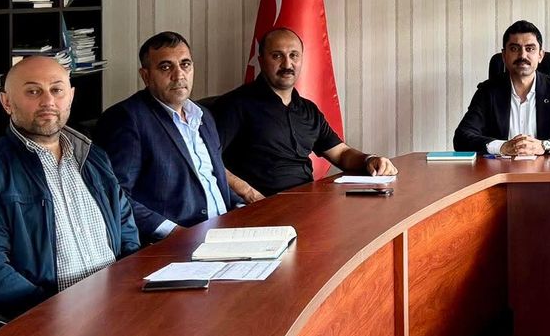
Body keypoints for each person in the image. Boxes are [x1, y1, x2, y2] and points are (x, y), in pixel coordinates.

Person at [0, 57, 138, 317]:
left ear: (71, 97)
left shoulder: (95, 158)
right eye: (33, 91)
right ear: (6, 102)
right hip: (47, 322)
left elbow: (127, 233)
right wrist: (57, 314)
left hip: (118, 307)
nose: (48, 101)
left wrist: (128, 294)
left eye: (56, 90)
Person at [214, 27, 397, 201]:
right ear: (261, 60)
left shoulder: (308, 109)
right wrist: (247, 193)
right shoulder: (235, 105)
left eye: (294, 55)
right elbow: (208, 158)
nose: (287, 64)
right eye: (277, 55)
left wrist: (369, 160)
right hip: (260, 207)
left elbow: (341, 153)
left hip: (306, 201)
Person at [94, 32, 237, 244]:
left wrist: (242, 208)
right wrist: (175, 232)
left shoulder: (203, 115)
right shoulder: (127, 119)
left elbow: (212, 180)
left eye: (185, 64)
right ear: (146, 76)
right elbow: (116, 195)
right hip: (173, 242)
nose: (179, 75)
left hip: (224, 232)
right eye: (165, 67)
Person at [453, 20, 550, 155]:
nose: (522, 55)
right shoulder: (487, 92)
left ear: (540, 55)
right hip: (500, 169)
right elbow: (462, 138)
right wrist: (502, 147)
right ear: (504, 55)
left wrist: (544, 146)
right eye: (514, 48)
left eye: (530, 49)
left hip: (547, 170)